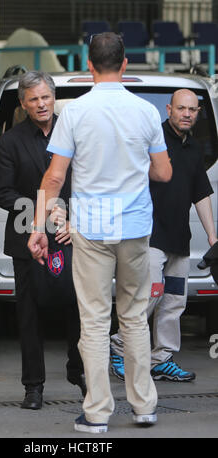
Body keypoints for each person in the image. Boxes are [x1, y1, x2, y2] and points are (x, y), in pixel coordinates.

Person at [27, 32, 172, 433]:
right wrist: (132, 165)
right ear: (125, 65)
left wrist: (38, 226)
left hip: (92, 227)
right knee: (134, 319)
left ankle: (97, 414)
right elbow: (163, 172)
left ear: (88, 66)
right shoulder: (145, 112)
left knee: (93, 321)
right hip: (135, 228)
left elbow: (55, 177)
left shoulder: (73, 112)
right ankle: (144, 407)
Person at [0, 71, 85, 411]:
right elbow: (2, 193)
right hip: (27, 239)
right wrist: (44, 215)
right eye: (33, 99)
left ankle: (80, 373)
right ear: (23, 105)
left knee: (79, 309)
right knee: (29, 315)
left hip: (71, 235)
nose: (41, 104)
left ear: (53, 97)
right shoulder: (11, 142)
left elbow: (88, 182)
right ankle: (33, 387)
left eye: (45, 97)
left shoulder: (74, 133)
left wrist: (71, 216)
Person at [110, 89, 217, 382]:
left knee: (173, 301)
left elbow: (202, 194)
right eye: (181, 108)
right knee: (149, 296)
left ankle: (162, 358)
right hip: (150, 236)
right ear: (169, 109)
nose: (186, 114)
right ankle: (118, 349)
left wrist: (212, 238)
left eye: (192, 110)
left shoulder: (194, 149)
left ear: (197, 114)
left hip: (179, 239)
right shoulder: (151, 142)